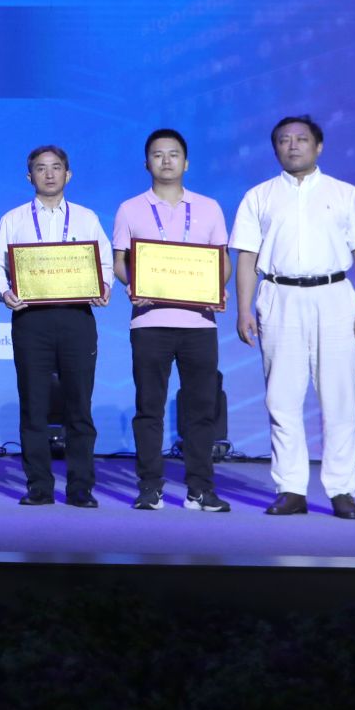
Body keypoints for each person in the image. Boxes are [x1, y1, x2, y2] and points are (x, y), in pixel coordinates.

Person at [232, 115, 355, 520]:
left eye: (301, 139)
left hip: (334, 296)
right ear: (275, 149)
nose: (293, 145)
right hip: (279, 296)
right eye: (284, 140)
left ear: (319, 146)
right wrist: (244, 309)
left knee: (340, 400)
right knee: (281, 399)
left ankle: (342, 490)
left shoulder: (345, 194)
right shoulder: (259, 196)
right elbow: (246, 256)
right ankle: (291, 489)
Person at [111, 128, 231, 513]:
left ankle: (200, 489)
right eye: (158, 154)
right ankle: (150, 487)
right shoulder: (130, 208)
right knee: (150, 409)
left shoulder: (209, 207)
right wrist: (134, 285)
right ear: (147, 162)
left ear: (186, 163)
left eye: (174, 154)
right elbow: (119, 263)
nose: (166, 161)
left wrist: (216, 288)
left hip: (200, 323)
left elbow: (222, 262)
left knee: (201, 409)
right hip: (149, 322)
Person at [0, 145, 113, 508]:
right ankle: (39, 487)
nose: (49, 174)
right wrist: (5, 292)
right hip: (31, 320)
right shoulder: (13, 219)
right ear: (29, 176)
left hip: (76, 319)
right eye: (41, 168)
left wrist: (103, 286)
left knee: (79, 406)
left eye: (56, 167)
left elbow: (104, 262)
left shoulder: (86, 218)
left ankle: (80, 488)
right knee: (34, 405)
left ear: (67, 174)